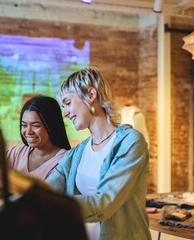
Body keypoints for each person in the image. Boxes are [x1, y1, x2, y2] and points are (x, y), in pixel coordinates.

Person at [45, 68, 150, 240]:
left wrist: (48, 203)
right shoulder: (77, 153)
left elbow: (105, 202)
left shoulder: (130, 142)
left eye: (68, 103)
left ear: (91, 95)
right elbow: (45, 190)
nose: (65, 113)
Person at [6, 95, 71, 180]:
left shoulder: (63, 161)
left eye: (36, 125)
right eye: (24, 125)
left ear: (52, 125)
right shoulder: (16, 153)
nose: (28, 132)